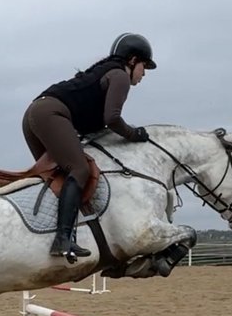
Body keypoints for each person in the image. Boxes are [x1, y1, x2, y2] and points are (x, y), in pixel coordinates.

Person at [22, 33, 156, 261]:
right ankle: (63, 239)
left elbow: (96, 125)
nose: (144, 74)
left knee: (60, 177)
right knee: (80, 169)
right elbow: (113, 119)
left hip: (35, 114)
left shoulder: (104, 73)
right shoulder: (120, 76)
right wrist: (134, 134)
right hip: (50, 114)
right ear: (132, 60)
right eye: (144, 66)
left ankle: (49, 234)